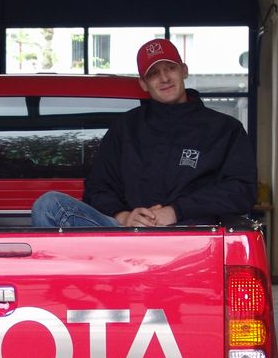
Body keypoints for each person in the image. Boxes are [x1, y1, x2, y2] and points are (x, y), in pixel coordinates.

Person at [31, 38, 256, 228]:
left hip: (194, 237)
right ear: (144, 84)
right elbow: (97, 188)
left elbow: (242, 191)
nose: (164, 78)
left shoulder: (224, 129)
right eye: (154, 73)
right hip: (130, 237)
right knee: (48, 205)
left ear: (184, 70)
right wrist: (124, 216)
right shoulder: (125, 128)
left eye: (170, 68)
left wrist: (176, 211)